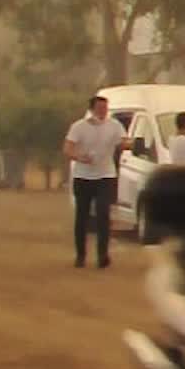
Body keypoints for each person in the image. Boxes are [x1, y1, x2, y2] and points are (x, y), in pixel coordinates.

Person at [63, 94, 127, 269]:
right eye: (99, 108)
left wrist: (125, 144)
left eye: (105, 108)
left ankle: (102, 255)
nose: (103, 112)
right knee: (82, 216)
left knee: (103, 214)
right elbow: (67, 148)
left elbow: (123, 141)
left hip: (105, 175)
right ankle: (81, 255)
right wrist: (79, 157)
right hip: (83, 176)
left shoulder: (114, 126)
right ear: (92, 109)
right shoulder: (79, 126)